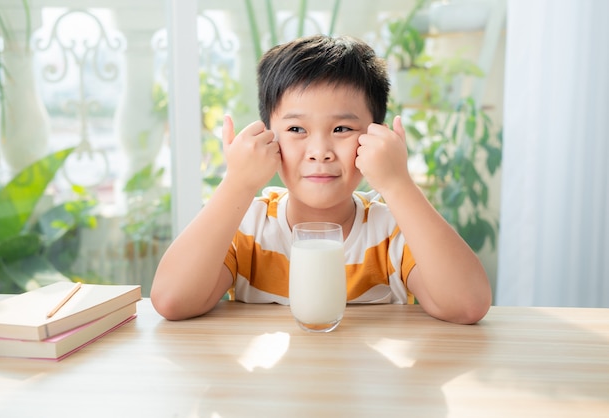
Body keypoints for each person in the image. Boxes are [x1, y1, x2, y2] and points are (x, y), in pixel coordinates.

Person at [151, 34, 492, 325]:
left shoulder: (391, 232)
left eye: (342, 129)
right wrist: (236, 184)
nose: (319, 151)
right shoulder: (248, 228)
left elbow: (467, 304)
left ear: (376, 136)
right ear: (269, 138)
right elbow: (171, 300)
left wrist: (399, 184)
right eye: (296, 129)